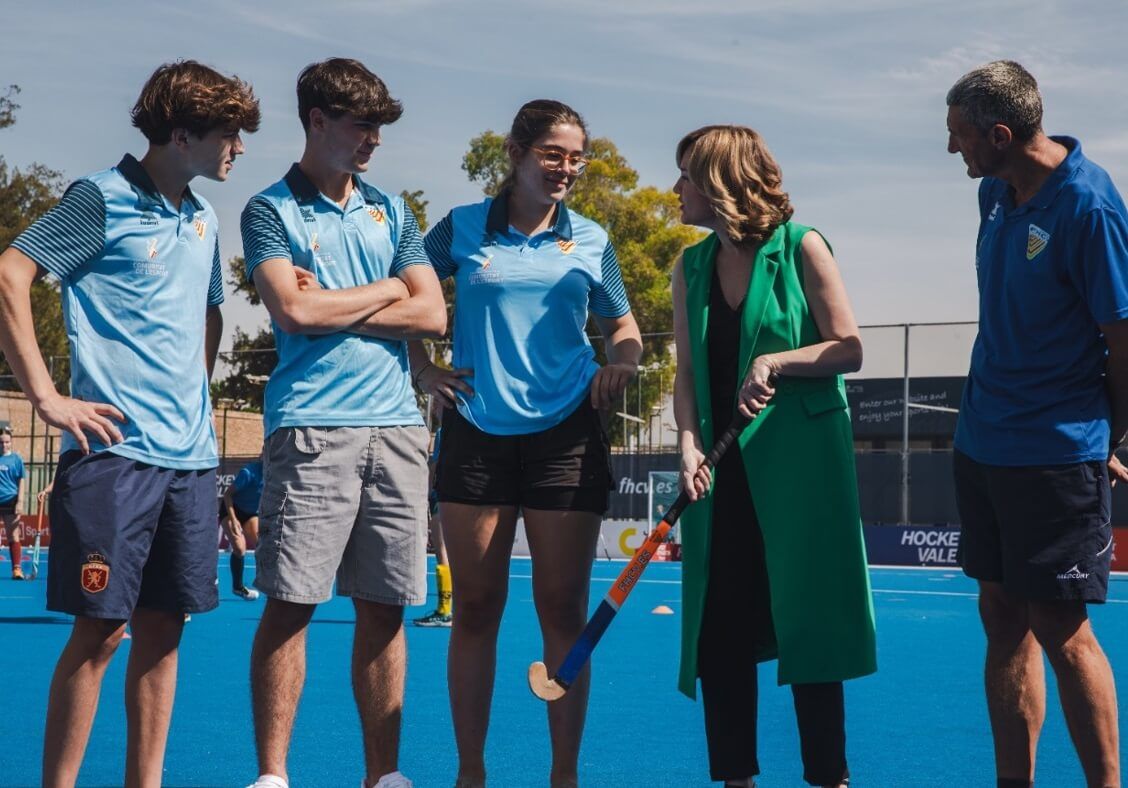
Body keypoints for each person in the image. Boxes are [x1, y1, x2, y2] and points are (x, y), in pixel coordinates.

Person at [0, 60, 259, 786]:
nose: (239, 148)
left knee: (165, 632)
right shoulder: (101, 197)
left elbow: (209, 313)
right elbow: (10, 273)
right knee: (101, 633)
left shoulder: (204, 217)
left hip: (190, 462)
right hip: (113, 457)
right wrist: (46, 397)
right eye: (228, 134)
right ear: (181, 134)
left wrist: (193, 396)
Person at [415, 99, 642, 788]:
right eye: (552, 154)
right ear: (515, 154)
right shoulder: (461, 227)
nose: (565, 168)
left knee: (563, 608)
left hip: (567, 436)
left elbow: (622, 327)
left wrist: (624, 363)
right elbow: (406, 294)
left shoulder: (592, 238)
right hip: (475, 435)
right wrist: (422, 366)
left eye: (576, 158)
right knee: (476, 608)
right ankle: (471, 774)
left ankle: (563, 776)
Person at [241, 58, 445, 788]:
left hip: (397, 430)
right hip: (311, 429)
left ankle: (382, 776)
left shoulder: (393, 210)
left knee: (386, 610)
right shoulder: (269, 209)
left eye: (379, 128)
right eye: (362, 126)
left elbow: (433, 313)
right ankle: (273, 775)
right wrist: (388, 290)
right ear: (318, 121)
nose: (374, 140)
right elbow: (294, 311)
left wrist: (342, 299)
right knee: (291, 605)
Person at [670, 125, 876, 788]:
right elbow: (685, 376)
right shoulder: (689, 267)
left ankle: (829, 777)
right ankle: (737, 779)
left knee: (811, 624)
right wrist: (687, 445)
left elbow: (848, 348)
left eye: (686, 175)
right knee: (720, 629)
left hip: (804, 472)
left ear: (719, 181)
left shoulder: (802, 245)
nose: (676, 189)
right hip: (719, 473)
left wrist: (776, 361)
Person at [946, 61, 1124, 788]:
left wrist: (1110, 437)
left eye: (960, 135)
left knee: (1061, 628)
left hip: (1055, 452)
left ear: (999, 134)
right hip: (981, 442)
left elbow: (1122, 338)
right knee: (1001, 615)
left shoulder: (1089, 206)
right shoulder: (994, 191)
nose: (951, 148)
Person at [413, 426, 452, 627]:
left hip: (443, 494)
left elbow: (435, 464)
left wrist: (427, 494)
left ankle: (445, 610)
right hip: (461, 496)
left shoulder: (444, 431)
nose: (436, 410)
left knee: (442, 551)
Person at [222, 457, 264, 601]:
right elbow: (227, 495)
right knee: (240, 549)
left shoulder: (276, 475)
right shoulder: (248, 472)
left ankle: (268, 584)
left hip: (250, 514)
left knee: (262, 545)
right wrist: (233, 520)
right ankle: (238, 587)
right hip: (232, 510)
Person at [0, 428, 27, 579]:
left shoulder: (16, 459)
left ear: (11, 442)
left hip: (11, 501)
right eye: (1, 442)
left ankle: (16, 570)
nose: (4, 445)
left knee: (13, 535)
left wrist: (20, 502)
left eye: (7, 442)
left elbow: (21, 480)